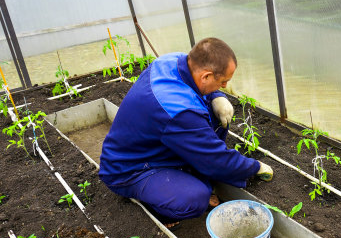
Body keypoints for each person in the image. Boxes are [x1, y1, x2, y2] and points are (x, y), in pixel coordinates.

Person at [98, 37, 273, 228]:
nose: (224, 86)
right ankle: (158, 208)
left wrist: (216, 96)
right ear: (206, 76)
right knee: (196, 197)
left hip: (149, 145)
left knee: (217, 117)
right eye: (223, 82)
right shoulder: (178, 111)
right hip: (129, 169)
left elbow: (197, 82)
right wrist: (255, 167)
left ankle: (190, 170)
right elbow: (216, 159)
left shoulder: (172, 61)